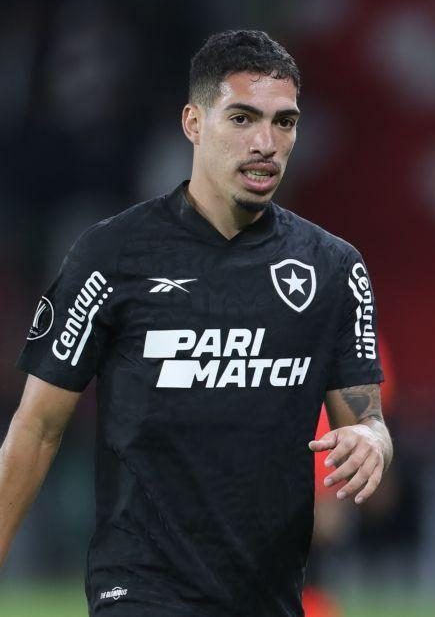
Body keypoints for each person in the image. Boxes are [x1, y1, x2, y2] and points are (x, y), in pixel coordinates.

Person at [0, 30, 392, 616]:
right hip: (139, 588)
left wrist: (371, 442)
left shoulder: (334, 268)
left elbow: (367, 420)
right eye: (242, 118)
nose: (266, 143)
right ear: (193, 122)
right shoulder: (111, 257)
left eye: (284, 123)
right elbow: (37, 429)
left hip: (268, 595)